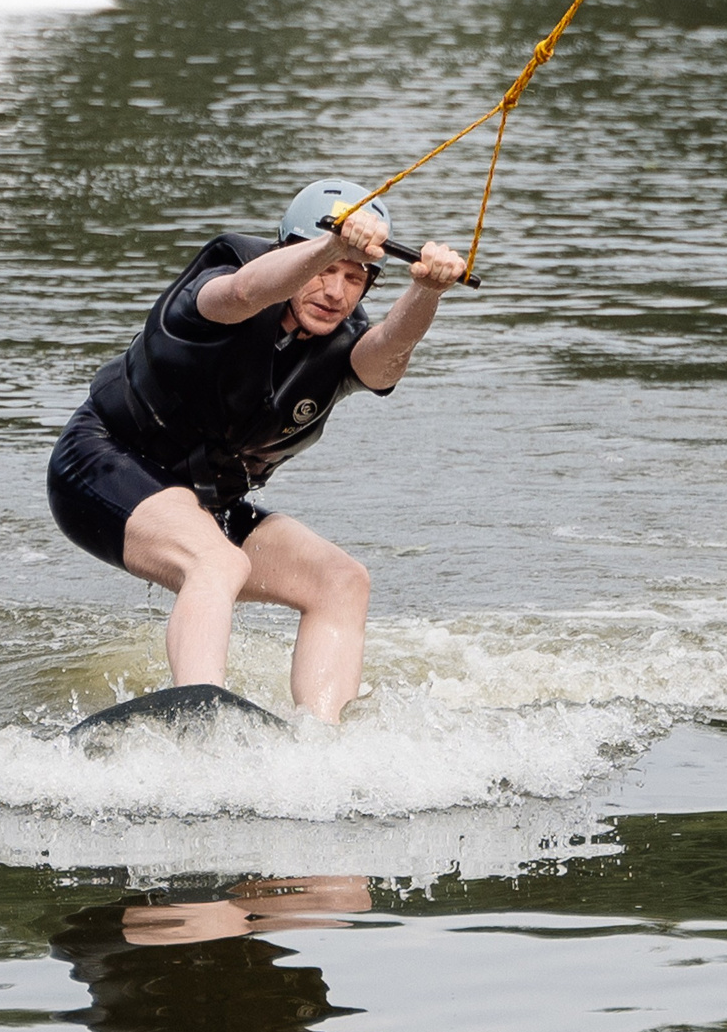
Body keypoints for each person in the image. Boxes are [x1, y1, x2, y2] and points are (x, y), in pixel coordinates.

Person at [47, 180, 466, 722]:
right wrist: (335, 245)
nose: (336, 292)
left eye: (353, 277)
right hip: (102, 465)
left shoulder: (346, 343)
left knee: (341, 580)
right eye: (323, 270)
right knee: (217, 559)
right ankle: (199, 717)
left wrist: (427, 291)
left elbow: (385, 359)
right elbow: (244, 295)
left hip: (205, 503)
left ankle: (321, 736)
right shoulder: (216, 288)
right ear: (288, 254)